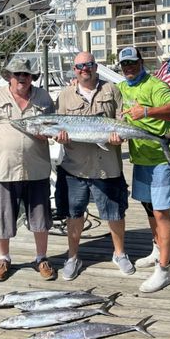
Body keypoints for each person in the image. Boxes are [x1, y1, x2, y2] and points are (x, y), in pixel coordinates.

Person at [0, 58, 57, 282]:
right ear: (9, 76)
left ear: (32, 77)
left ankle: (41, 258)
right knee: (1, 215)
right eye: (17, 73)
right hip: (2, 168)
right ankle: (4, 258)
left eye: (26, 74)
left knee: (41, 218)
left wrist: (45, 133)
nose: (22, 77)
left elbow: (53, 128)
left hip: (36, 168)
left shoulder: (44, 98)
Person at [54, 51, 135, 281]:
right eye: (79, 66)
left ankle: (119, 253)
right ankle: (73, 257)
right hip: (74, 167)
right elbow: (58, 126)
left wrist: (121, 136)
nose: (84, 69)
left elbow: (123, 121)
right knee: (74, 214)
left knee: (115, 212)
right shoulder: (64, 95)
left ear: (96, 66)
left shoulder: (112, 90)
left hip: (107, 166)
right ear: (74, 70)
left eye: (88, 64)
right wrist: (59, 137)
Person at [117, 46, 170, 293]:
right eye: (125, 65)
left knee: (161, 213)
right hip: (140, 158)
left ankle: (164, 270)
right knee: (148, 207)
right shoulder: (123, 87)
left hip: (161, 159)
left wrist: (146, 111)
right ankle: (157, 251)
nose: (129, 68)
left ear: (141, 62)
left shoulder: (156, 85)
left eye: (133, 63)